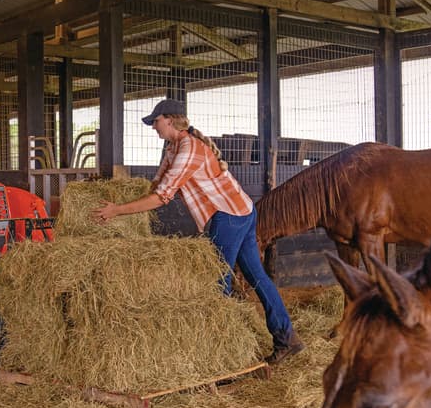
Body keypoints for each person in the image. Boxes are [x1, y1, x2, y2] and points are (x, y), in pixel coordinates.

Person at [92, 99, 304, 365]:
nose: (153, 127)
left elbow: (162, 198)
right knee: (256, 277)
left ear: (169, 120)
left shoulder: (189, 150)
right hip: (241, 210)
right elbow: (157, 184)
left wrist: (117, 211)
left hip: (228, 216)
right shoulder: (172, 147)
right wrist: (126, 201)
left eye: (155, 122)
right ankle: (287, 339)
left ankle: (224, 355)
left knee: (218, 281)